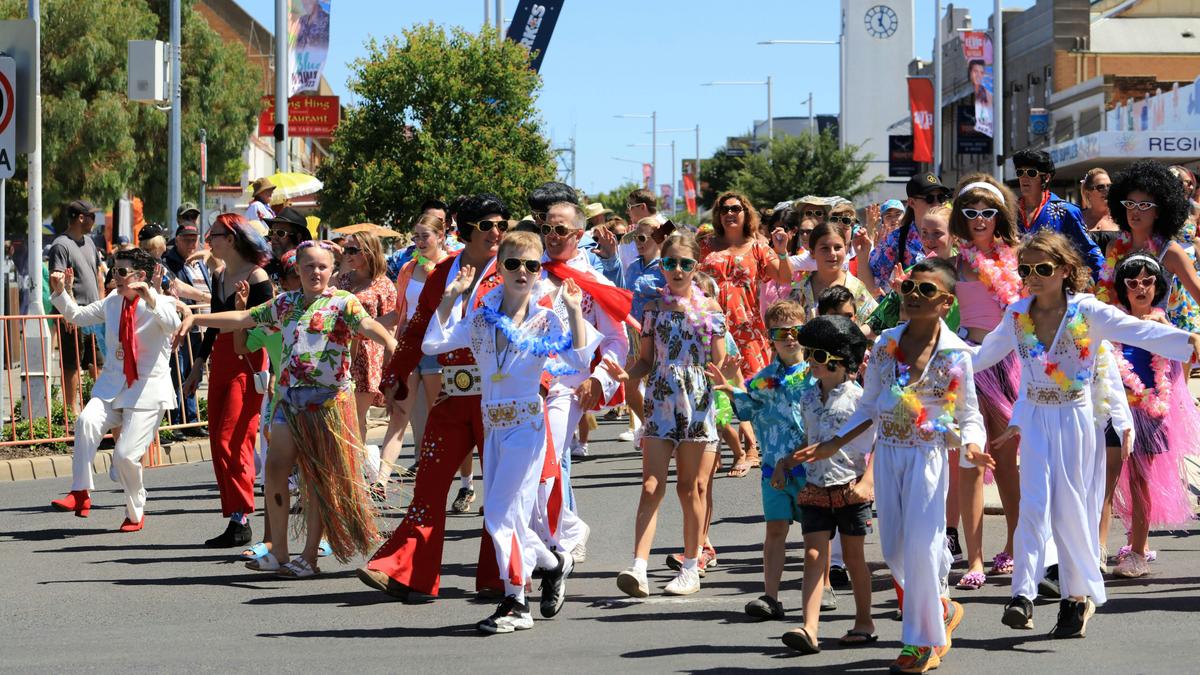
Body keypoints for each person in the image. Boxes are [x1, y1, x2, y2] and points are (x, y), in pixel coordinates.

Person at [972, 230, 1200, 638]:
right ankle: (1022, 595)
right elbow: (981, 355)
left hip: (1077, 421)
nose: (1033, 276)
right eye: (1025, 269)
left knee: (1072, 511)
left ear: (1064, 270)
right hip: (1038, 420)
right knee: (1033, 506)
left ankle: (1075, 599)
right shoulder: (1016, 315)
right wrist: (930, 351)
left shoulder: (1088, 311)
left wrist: (1187, 340)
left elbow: (1139, 331)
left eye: (1043, 268)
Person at [794, 257, 993, 673]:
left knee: (921, 546)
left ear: (945, 302)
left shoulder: (957, 354)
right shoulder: (886, 343)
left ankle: (920, 643)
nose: (914, 296)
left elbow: (970, 416)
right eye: (908, 289)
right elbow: (868, 407)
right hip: (887, 454)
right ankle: (939, 607)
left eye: (926, 291)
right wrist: (833, 443)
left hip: (928, 458)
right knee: (895, 550)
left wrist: (972, 447)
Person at [183, 240, 396, 577]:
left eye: (322, 266)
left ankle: (309, 557)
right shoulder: (285, 304)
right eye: (308, 265)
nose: (315, 272)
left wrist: (391, 343)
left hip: (328, 404)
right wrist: (195, 318)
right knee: (276, 472)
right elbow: (242, 317)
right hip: (288, 400)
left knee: (316, 482)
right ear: (297, 269)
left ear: (333, 270)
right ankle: (278, 551)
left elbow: (369, 326)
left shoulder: (344, 302)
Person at [423, 230, 596, 632]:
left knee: (500, 512)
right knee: (508, 515)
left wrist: (572, 311)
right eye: (514, 263)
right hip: (493, 422)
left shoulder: (545, 317)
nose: (523, 272)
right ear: (499, 268)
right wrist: (452, 296)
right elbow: (434, 345)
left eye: (532, 265)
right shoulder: (481, 314)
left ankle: (515, 602)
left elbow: (578, 358)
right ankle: (554, 564)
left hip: (526, 424)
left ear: (539, 272)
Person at [359, 193, 510, 600]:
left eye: (502, 224)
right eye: (487, 225)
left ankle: (501, 578)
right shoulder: (443, 271)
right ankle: (411, 574)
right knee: (428, 482)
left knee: (499, 490)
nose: (496, 233)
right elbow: (418, 327)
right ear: (464, 229)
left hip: (499, 400)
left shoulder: (513, 270)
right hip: (452, 394)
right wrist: (396, 374)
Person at [606, 233, 726, 597]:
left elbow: (719, 359)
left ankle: (691, 566)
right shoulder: (652, 308)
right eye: (670, 263)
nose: (677, 269)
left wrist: (719, 377)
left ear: (695, 267)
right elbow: (645, 359)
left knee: (689, 488)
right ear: (662, 266)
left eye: (685, 264)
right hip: (660, 398)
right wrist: (630, 376)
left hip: (696, 401)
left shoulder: (710, 311)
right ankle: (638, 567)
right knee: (650, 485)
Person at [48, 248, 183, 532]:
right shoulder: (112, 302)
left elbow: (174, 324)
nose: (115, 276)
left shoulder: (162, 303)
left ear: (140, 276)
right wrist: (61, 292)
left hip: (147, 391)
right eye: (113, 270)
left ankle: (135, 510)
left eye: (121, 272)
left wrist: (151, 297)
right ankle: (80, 493)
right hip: (112, 386)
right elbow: (77, 316)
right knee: (85, 421)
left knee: (124, 457)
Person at [767, 315, 874, 654]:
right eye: (809, 353)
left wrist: (867, 482)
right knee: (813, 554)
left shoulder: (859, 399)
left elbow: (877, 443)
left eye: (817, 356)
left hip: (849, 487)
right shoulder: (808, 399)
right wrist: (786, 462)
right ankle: (809, 628)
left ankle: (864, 622)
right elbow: (809, 440)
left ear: (840, 361)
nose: (810, 361)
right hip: (814, 486)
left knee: (855, 559)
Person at [535, 201, 630, 564]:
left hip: (566, 386)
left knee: (548, 458)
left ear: (578, 234)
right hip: (522, 383)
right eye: (547, 229)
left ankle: (564, 534)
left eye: (561, 230)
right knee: (529, 464)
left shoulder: (592, 280)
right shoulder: (529, 270)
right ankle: (555, 533)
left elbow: (616, 340)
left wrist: (599, 377)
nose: (552, 236)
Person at [708, 299, 810, 621]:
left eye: (795, 330)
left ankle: (818, 587)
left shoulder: (817, 372)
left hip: (811, 467)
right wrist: (729, 389)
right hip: (774, 470)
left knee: (815, 534)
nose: (790, 338)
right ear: (771, 338)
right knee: (775, 531)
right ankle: (771, 596)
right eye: (782, 333)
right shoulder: (764, 379)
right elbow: (748, 406)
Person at [946, 176, 1025, 589]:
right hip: (965, 364)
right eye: (971, 212)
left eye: (988, 212)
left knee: (1008, 462)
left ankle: (1014, 544)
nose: (979, 220)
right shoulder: (951, 259)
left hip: (1006, 364)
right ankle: (974, 558)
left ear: (1000, 217)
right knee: (968, 462)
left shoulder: (1016, 259)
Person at [180, 214, 274, 548]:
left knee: (232, 439)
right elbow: (217, 325)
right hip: (220, 359)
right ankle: (237, 518)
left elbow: (264, 329)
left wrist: (273, 372)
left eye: (214, 235)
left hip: (247, 359)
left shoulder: (258, 276)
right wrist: (198, 364)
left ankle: (242, 516)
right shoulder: (219, 275)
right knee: (217, 441)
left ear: (231, 238)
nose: (208, 240)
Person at [1107, 255, 1200, 577]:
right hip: (1116, 412)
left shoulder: (1163, 326)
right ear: (1124, 289)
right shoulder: (1115, 324)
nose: (1141, 288)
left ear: (1157, 286)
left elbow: (1186, 358)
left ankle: (1137, 553)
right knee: (1106, 484)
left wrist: (1173, 334)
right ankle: (1110, 546)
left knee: (1139, 482)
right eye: (1133, 283)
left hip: (1150, 412)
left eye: (1147, 281)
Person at [699, 191, 792, 472]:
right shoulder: (705, 246)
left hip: (748, 329)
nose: (730, 213)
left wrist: (782, 250)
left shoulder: (759, 247)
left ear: (746, 213)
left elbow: (785, 277)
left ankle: (753, 447)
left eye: (736, 208)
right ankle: (714, 447)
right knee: (713, 386)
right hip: (710, 327)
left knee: (749, 387)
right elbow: (680, 261)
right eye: (724, 209)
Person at [374, 213, 450, 503]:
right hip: (409, 346)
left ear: (440, 236)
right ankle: (380, 481)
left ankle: (438, 480)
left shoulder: (451, 266)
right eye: (415, 236)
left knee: (435, 416)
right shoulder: (407, 268)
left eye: (424, 236)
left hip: (436, 348)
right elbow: (399, 312)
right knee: (398, 416)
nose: (418, 242)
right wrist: (364, 326)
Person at [1096, 160, 1200, 336]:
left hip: (1157, 340)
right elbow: (1107, 295)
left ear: (1159, 211)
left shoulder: (1171, 252)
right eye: (1130, 204)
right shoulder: (1114, 247)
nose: (1134, 211)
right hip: (1120, 340)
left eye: (1144, 205)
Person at [335, 230, 397, 449]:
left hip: (367, 354)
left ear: (369, 252)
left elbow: (394, 320)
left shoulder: (383, 284)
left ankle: (357, 468)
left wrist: (365, 326)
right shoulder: (343, 280)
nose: (347, 255)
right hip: (340, 351)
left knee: (356, 416)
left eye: (353, 250)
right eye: (345, 250)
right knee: (341, 416)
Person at [1011, 148, 1104, 277]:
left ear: (1046, 177)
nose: (1024, 178)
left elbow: (1089, 251)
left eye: (1031, 173)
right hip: (1013, 288)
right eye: (1020, 172)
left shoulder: (1066, 211)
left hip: (1053, 286)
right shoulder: (1008, 212)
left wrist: (1104, 283)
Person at [49, 199, 105, 413]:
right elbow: (56, 281)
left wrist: (101, 306)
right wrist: (67, 313)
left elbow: (98, 275)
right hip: (73, 315)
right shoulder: (61, 245)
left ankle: (97, 408)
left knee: (97, 363)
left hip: (94, 314)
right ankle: (71, 413)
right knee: (72, 364)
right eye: (92, 216)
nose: (94, 220)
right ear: (81, 218)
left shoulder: (89, 242)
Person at [618, 217, 665, 444]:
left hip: (658, 334)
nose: (638, 242)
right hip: (633, 332)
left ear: (657, 237)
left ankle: (664, 433)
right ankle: (650, 427)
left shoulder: (666, 265)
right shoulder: (633, 265)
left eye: (643, 237)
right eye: (636, 237)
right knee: (629, 388)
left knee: (659, 389)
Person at [866, 173, 950, 294]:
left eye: (941, 198)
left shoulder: (955, 234)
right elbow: (875, 285)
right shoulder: (895, 240)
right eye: (929, 198)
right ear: (911, 202)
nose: (937, 203)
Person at [791, 223, 877, 329]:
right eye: (825, 248)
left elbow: (875, 322)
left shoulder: (856, 288)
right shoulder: (799, 291)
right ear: (812, 252)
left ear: (845, 249)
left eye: (837, 247)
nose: (832, 253)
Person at [263, 207, 313, 280]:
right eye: (271, 232)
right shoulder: (265, 264)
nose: (274, 237)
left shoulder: (307, 266)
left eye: (280, 233)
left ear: (298, 237)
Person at [1081, 168, 1117, 234]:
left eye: (1109, 186)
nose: (1107, 190)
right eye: (1101, 187)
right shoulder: (1078, 218)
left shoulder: (1121, 217)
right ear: (1088, 193)